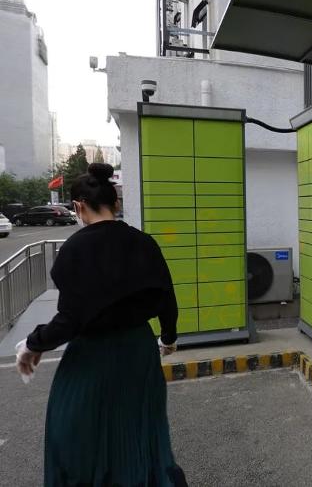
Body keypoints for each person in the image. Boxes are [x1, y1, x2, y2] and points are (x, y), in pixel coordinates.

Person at [15, 163, 188, 486]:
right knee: (140, 428)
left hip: (92, 355)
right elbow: (167, 298)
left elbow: (70, 318)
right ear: (116, 203)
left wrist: (33, 344)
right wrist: (168, 338)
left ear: (78, 206)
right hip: (139, 351)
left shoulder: (74, 249)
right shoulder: (144, 243)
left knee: (75, 433)